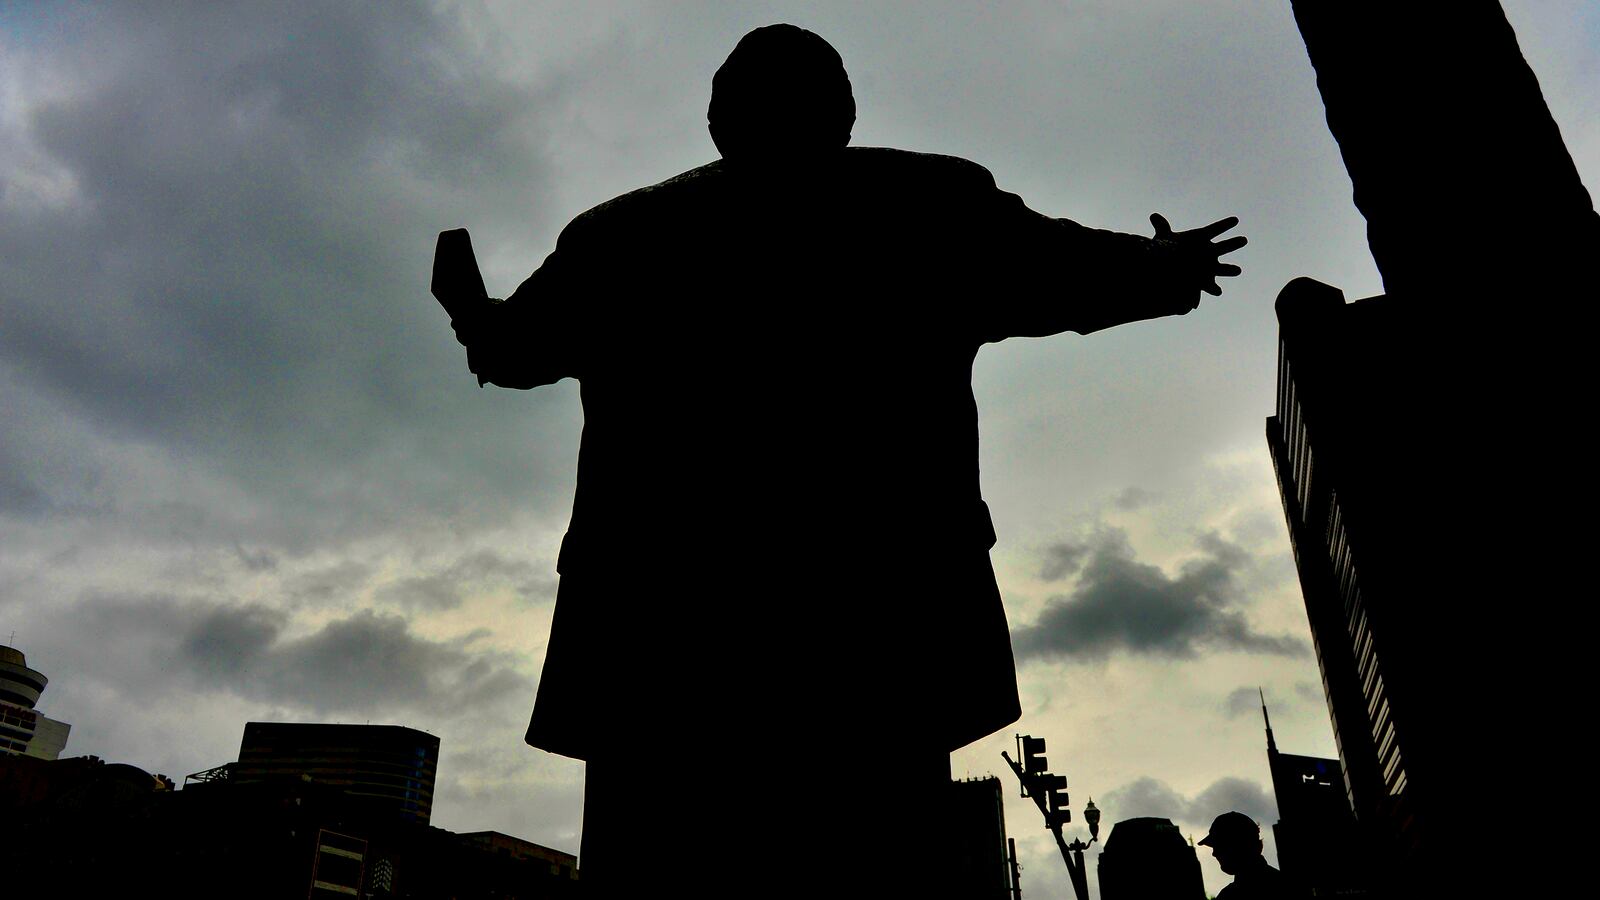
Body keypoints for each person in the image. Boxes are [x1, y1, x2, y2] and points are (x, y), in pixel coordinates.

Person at [440, 23, 1244, 897]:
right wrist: (1168, 267)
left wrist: (468, 307)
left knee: (662, 862)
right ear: (847, 115)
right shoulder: (932, 205)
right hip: (878, 623)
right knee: (878, 860)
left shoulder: (618, 238)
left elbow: (511, 351)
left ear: (716, 121)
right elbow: (1064, 268)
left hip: (664, 639)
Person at [1199, 811, 1298, 899]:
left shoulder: (1230, 898)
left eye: (1220, 846)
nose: (1214, 853)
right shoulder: (1286, 885)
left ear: (1239, 845)